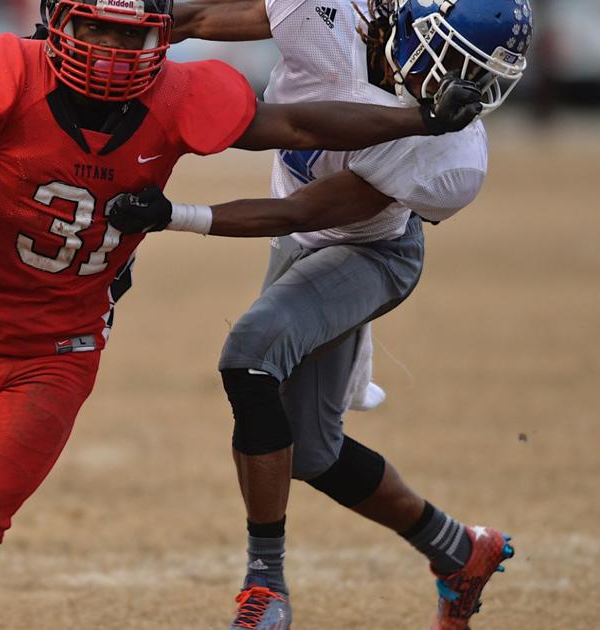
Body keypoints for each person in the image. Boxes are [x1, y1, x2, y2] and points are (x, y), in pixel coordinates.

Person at [0, 0, 483, 626]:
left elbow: (297, 126)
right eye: (94, 28)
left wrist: (419, 120)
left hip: (59, 348)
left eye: (129, 36)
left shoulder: (179, 94)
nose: (109, 51)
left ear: (160, 36)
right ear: (58, 21)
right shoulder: (9, 74)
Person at [109, 0, 531, 628]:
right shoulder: (326, 13)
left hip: (369, 252)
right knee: (310, 451)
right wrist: (114, 43)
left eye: (480, 77)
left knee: (249, 359)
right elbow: (193, 21)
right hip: (300, 239)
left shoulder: (452, 156)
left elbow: (301, 212)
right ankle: (459, 550)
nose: (462, 90)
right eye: (454, 64)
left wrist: (176, 215)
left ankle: (265, 587)